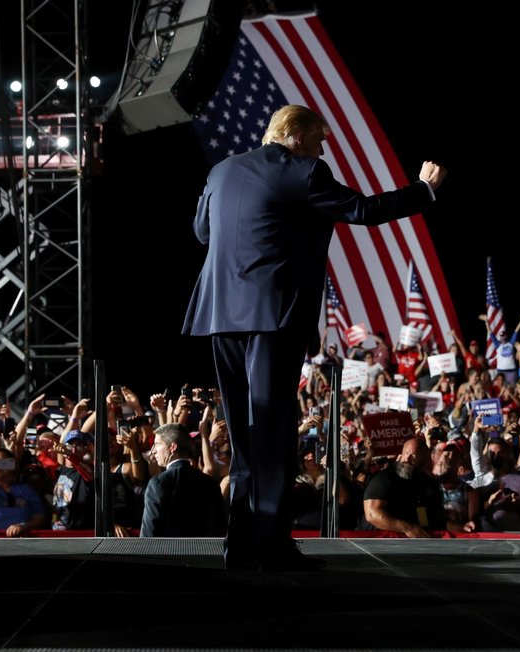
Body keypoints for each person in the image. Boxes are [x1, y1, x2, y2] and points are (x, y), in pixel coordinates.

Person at [181, 104, 447, 571]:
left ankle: (239, 544)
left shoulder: (221, 170)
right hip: (271, 317)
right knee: (274, 432)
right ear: (296, 133)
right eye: (320, 138)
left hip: (219, 315)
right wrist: (423, 190)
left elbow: (203, 232)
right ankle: (272, 546)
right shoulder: (303, 170)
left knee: (246, 438)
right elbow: (363, 209)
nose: (323, 148)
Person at [140, 423, 226, 538]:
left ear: (172, 447)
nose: (153, 451)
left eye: (157, 444)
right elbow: (221, 529)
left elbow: (148, 535)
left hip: (168, 555)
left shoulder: (159, 483)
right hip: (205, 554)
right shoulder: (210, 483)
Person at [0, 448, 47, 537]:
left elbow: (39, 517)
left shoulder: (26, 489)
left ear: (11, 465)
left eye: (1, 461)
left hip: (22, 542)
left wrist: (23, 526)